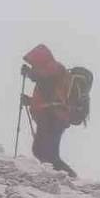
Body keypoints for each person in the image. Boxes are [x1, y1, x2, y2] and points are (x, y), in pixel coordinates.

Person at [21, 44, 77, 177]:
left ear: (40, 59)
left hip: (54, 117)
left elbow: (46, 83)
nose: (33, 66)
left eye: (34, 63)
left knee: (44, 152)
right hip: (52, 116)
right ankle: (64, 177)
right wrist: (29, 101)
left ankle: (69, 178)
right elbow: (47, 96)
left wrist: (30, 74)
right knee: (44, 151)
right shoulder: (49, 70)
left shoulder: (54, 68)